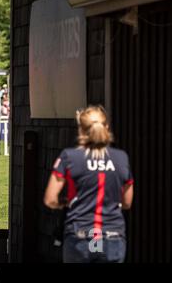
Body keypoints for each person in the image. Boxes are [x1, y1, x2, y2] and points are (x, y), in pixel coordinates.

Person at [44, 105, 134, 263]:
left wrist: (64, 203)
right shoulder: (121, 158)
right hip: (112, 236)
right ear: (106, 127)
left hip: (80, 235)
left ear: (81, 129)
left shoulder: (69, 157)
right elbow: (126, 202)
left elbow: (50, 199)